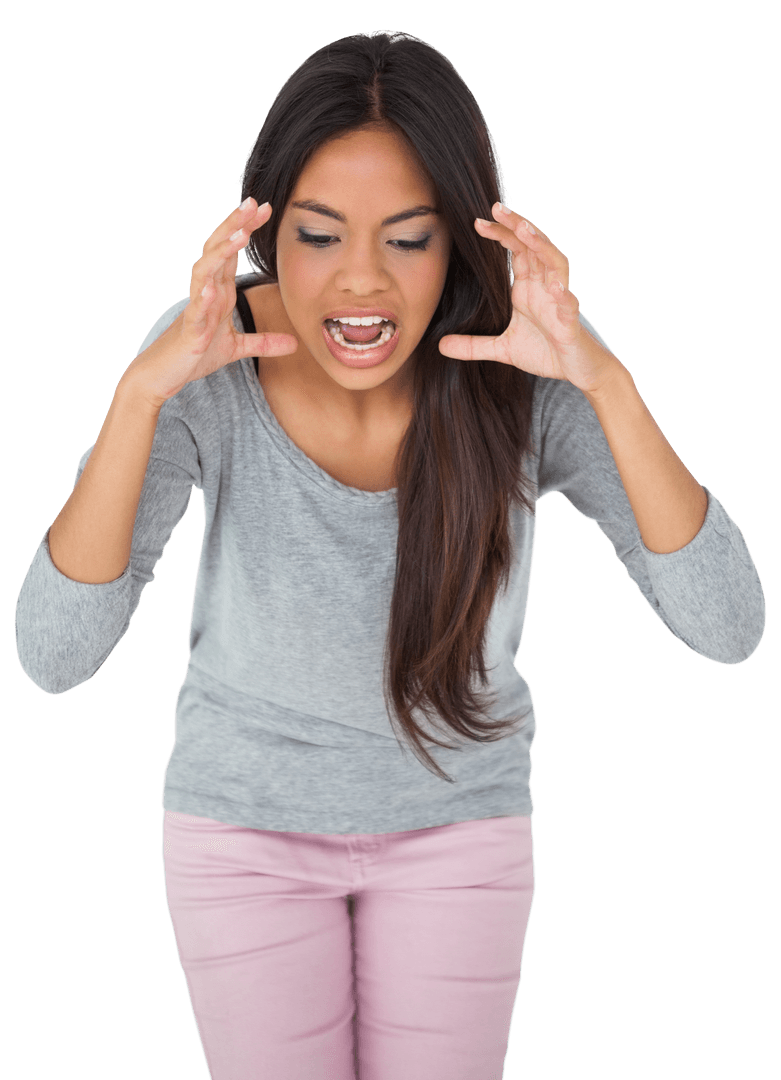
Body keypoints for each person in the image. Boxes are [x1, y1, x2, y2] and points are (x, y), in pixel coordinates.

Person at [14, 29, 765, 1080]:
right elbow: (54, 657)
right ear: (265, 234)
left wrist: (607, 383)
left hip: (459, 832)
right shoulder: (205, 355)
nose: (358, 285)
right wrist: (140, 394)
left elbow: (727, 628)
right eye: (319, 236)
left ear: (459, 243)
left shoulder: (520, 365)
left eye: (406, 240)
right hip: (243, 835)